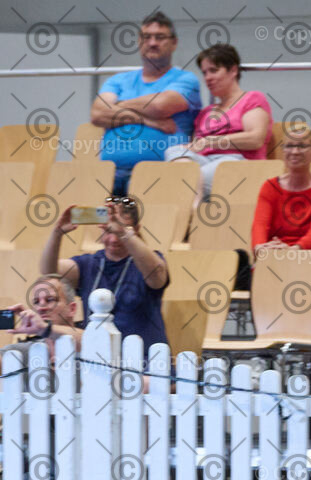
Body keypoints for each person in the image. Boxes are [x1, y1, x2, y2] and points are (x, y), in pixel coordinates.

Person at [90, 11, 202, 195]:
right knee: (82, 213)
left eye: (160, 37)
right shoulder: (119, 80)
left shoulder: (186, 80)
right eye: (146, 37)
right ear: (139, 41)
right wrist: (149, 121)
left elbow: (159, 106)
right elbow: (97, 114)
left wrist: (119, 104)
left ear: (174, 43)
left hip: (158, 174)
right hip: (109, 174)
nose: (152, 43)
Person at [41, 199, 170, 357]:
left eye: (121, 230)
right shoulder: (88, 264)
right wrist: (57, 233)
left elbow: (157, 276)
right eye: (109, 230)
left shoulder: (148, 261)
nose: (114, 239)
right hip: (98, 361)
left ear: (136, 230)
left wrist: (123, 233)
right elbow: (49, 275)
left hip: (145, 363)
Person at [165, 43, 272, 201]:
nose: (208, 77)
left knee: (187, 180)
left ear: (233, 70)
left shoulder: (251, 99)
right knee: (173, 151)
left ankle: (191, 207)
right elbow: (196, 147)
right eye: (205, 72)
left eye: (214, 70)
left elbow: (255, 139)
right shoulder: (205, 113)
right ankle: (192, 198)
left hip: (239, 161)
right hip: (204, 163)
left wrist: (211, 142)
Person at [251, 124, 311, 256]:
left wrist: (292, 252)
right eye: (289, 146)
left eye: (302, 146)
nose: (295, 151)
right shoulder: (270, 187)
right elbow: (260, 226)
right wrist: (260, 249)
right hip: (277, 254)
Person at [4, 275, 83, 355]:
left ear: (72, 309)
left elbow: (92, 342)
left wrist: (45, 328)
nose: (40, 308)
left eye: (50, 300)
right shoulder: (31, 349)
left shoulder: (88, 337)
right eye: (36, 302)